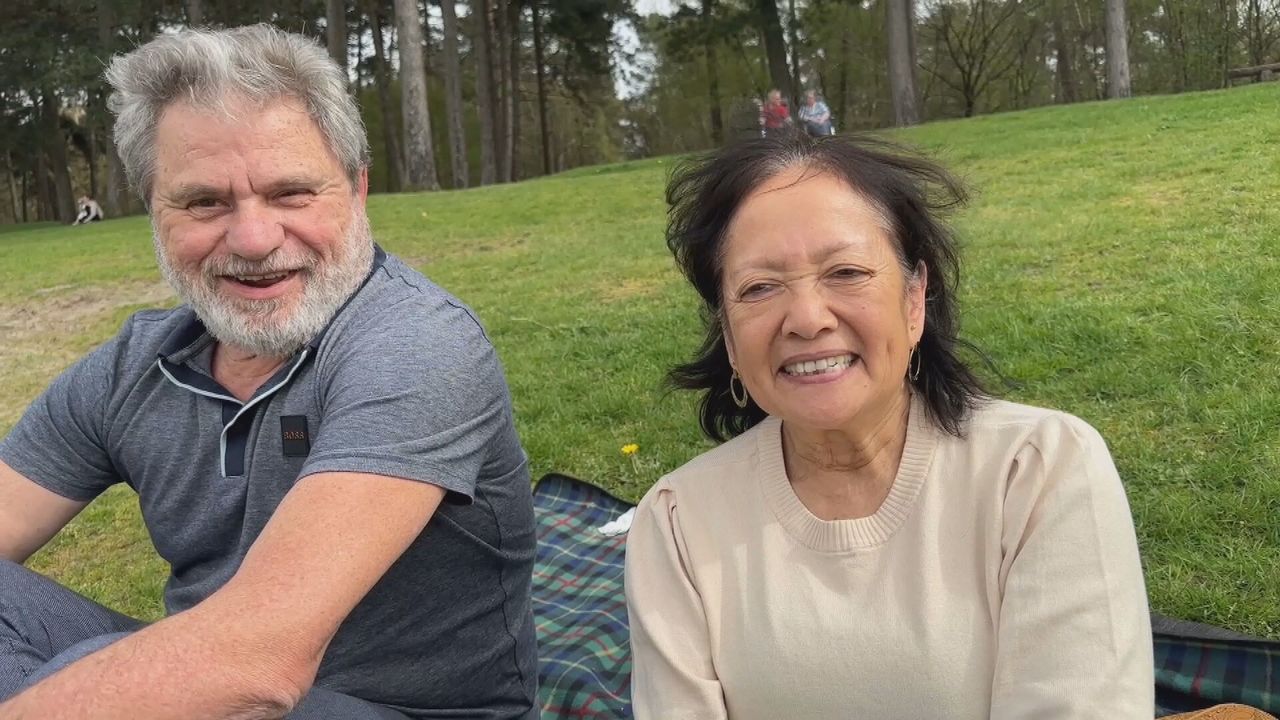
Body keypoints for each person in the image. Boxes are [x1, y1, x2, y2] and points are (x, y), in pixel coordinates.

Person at [0, 25, 537, 720]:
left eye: (291, 193)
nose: (254, 241)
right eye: (205, 202)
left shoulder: (418, 345)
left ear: (358, 189)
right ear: (154, 210)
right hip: (210, 672)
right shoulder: (134, 369)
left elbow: (259, 660)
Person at [625, 133, 1155, 718]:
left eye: (846, 271)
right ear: (728, 335)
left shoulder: (1037, 469)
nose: (807, 319)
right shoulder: (678, 522)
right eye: (760, 287)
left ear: (914, 300)